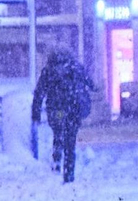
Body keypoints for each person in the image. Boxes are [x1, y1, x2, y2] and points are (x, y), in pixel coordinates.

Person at [31, 48, 94, 184]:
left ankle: (56, 161)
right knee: (70, 142)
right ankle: (69, 173)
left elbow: (39, 93)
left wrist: (35, 115)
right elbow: (91, 84)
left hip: (57, 110)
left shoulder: (48, 70)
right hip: (73, 110)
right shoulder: (76, 67)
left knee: (58, 134)